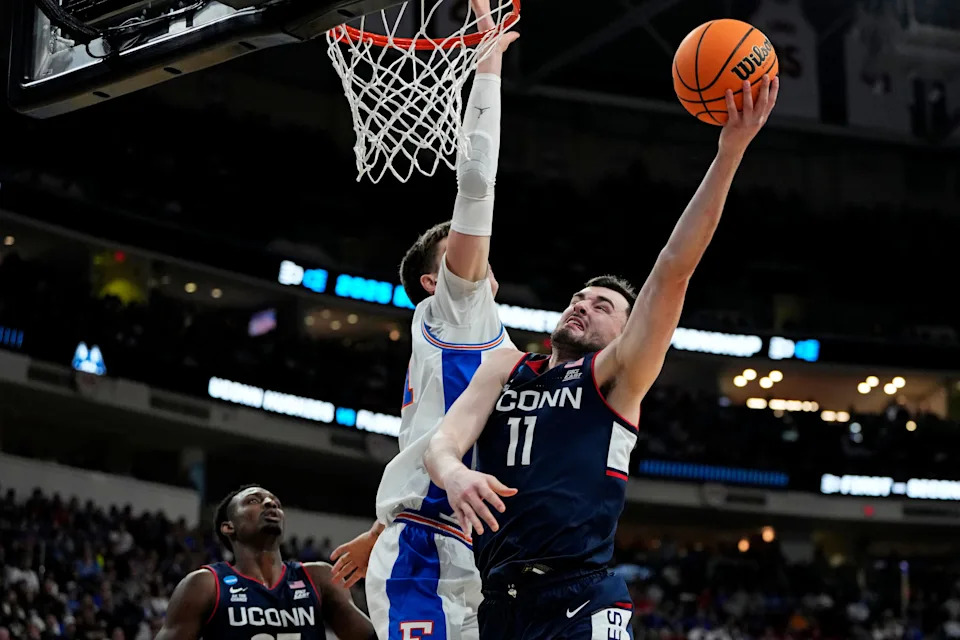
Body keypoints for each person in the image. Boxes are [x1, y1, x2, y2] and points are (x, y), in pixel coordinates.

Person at [422, 76, 781, 639]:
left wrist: (729, 152)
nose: (581, 305)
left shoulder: (616, 375)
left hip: (581, 594)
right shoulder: (506, 366)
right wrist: (454, 475)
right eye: (577, 297)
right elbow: (443, 443)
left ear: (627, 330)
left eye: (602, 304)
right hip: (499, 598)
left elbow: (673, 268)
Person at [327, 1, 520, 638]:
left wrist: (378, 529)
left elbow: (427, 441)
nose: (476, 251)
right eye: (458, 252)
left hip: (462, 549)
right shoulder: (454, 308)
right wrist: (486, 66)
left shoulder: (472, 335)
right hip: (429, 551)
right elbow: (476, 184)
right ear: (434, 282)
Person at [155, 485, 375, 640]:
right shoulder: (205, 585)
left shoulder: (318, 578)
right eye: (253, 501)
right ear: (228, 527)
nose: (270, 503)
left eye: (275, 503)